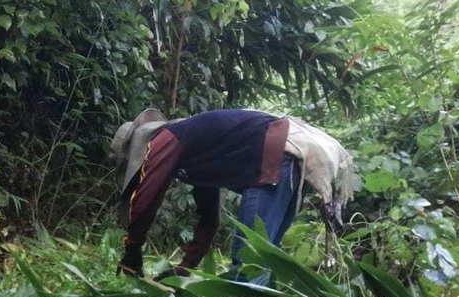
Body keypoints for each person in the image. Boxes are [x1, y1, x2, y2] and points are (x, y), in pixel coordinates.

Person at [110, 108, 355, 279]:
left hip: (277, 157)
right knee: (264, 258)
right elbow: (209, 218)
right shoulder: (196, 144)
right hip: (288, 158)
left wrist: (132, 250)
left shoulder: (165, 139)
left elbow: (146, 199)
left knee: (250, 259)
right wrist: (186, 267)